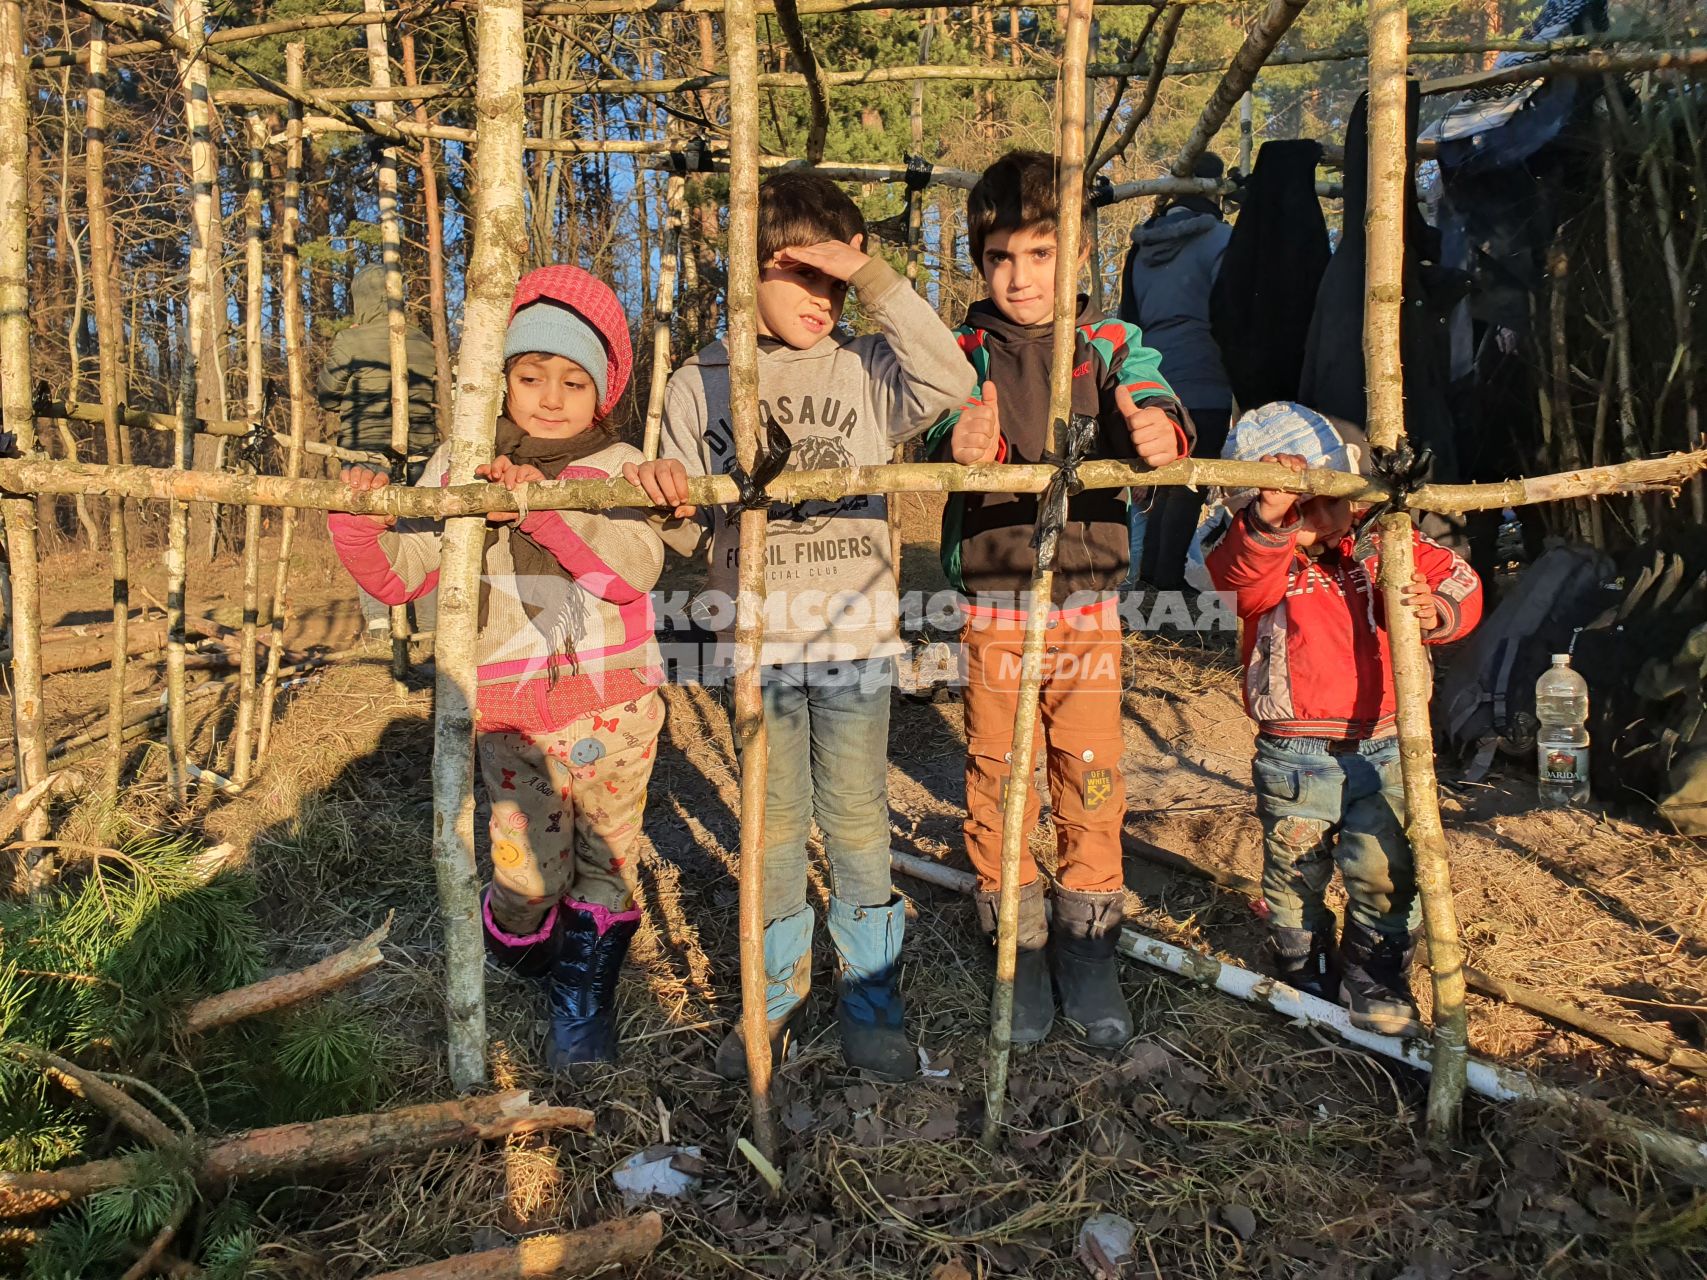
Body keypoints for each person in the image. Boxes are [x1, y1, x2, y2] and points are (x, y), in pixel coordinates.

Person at [624, 170, 968, 1081]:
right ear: (747, 276)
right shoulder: (703, 378)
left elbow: (953, 376)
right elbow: (693, 522)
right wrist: (668, 502)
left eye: (833, 281)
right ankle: (769, 999)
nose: (820, 298)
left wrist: (873, 279)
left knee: (856, 821)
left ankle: (871, 997)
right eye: (799, 276)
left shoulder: (863, 366)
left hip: (854, 643)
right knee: (772, 830)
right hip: (760, 649)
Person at [328, 266, 669, 1073]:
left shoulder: (618, 467)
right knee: (526, 879)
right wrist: (358, 523)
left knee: (608, 865)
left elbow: (629, 570)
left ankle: (583, 996)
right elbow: (406, 573)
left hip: (618, 711)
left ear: (603, 391)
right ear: (499, 379)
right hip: (514, 723)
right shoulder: (461, 464)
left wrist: (540, 508)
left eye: (572, 380)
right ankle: (516, 937)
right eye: (530, 376)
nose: (551, 397)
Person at [923, 149, 1191, 1049]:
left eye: (1041, 255)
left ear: (1078, 255)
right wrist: (950, 437)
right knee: (998, 777)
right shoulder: (962, 352)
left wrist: (1158, 427)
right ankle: (1016, 942)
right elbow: (927, 423)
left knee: (1091, 772)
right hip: (996, 596)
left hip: (1086, 604)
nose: (1020, 276)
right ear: (978, 259)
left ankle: (1087, 944)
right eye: (1000, 257)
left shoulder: (1106, 343)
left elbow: (1149, 390)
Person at [1203, 406, 1482, 1034]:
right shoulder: (1262, 555)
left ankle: (1375, 966)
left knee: (1384, 859)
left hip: (1386, 740)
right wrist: (1268, 527)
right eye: (1287, 508)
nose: (1308, 519)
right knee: (1294, 864)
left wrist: (1436, 610)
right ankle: (1300, 960)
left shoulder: (1389, 540)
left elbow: (1459, 579)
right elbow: (1240, 583)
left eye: (1321, 500)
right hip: (1294, 747)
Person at [1118, 152, 1233, 592]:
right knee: (1191, 477)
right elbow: (1229, 312)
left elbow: (1130, 318)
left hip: (1153, 373)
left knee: (1162, 478)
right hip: (1205, 369)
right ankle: (1166, 579)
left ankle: (1149, 573)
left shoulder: (1140, 249)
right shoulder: (1221, 238)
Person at [318, 263, 443, 633]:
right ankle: (430, 629)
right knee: (421, 534)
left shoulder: (351, 341)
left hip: (365, 457)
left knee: (364, 529)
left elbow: (327, 394)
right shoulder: (421, 340)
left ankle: (378, 625)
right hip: (420, 454)